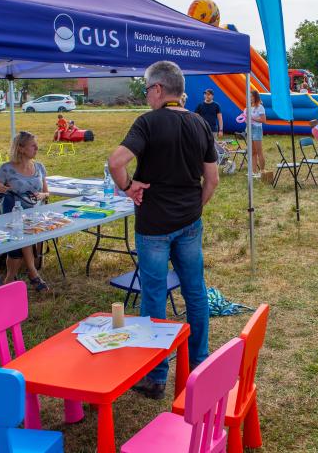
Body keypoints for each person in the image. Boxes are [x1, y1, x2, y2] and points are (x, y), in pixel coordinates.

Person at [108, 60, 218, 399]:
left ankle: (156, 377)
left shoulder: (148, 122)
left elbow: (115, 162)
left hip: (153, 225)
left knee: (154, 296)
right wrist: (195, 207)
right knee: (195, 292)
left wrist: (128, 187)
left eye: (147, 90)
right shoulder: (200, 123)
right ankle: (199, 364)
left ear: (158, 89)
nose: (146, 96)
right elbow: (212, 179)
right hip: (189, 223)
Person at [0, 131, 51, 291]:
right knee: (22, 232)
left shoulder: (39, 167)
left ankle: (10, 282)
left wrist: (42, 195)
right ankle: (32, 273)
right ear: (21, 148)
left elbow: (47, 192)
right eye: (33, 145)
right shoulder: (6, 169)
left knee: (22, 236)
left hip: (35, 215)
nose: (37, 148)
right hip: (11, 216)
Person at [245, 90, 266, 177]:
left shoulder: (260, 107)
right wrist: (246, 119)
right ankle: (253, 171)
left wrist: (252, 118)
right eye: (249, 96)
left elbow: (263, 120)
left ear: (255, 97)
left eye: (251, 96)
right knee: (253, 152)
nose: (250, 98)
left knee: (259, 151)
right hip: (249, 129)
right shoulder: (248, 107)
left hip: (257, 129)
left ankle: (262, 171)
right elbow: (247, 119)